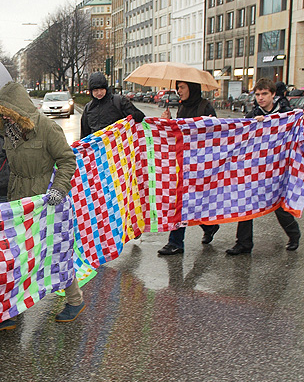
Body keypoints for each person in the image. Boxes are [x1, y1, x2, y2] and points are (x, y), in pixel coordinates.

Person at [0, 82, 86, 325]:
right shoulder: (9, 132)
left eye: (8, 113)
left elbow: (67, 160)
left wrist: (58, 189)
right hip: (19, 202)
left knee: (55, 252)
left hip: (47, 202)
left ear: (19, 109)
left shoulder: (47, 128)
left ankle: (75, 300)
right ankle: (12, 310)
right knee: (18, 255)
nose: (5, 119)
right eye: (1, 114)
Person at [225, 78, 300, 255]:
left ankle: (294, 234)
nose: (261, 98)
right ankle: (244, 243)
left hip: (278, 166)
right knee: (246, 203)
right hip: (256, 166)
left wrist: (268, 121)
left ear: (273, 94)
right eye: (258, 94)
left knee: (278, 204)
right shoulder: (253, 114)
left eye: (264, 94)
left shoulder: (286, 113)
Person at [157, 80, 220, 255]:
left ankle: (209, 226)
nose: (179, 91)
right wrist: (169, 122)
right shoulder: (182, 107)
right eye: (178, 87)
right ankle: (176, 241)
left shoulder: (205, 107)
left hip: (202, 162)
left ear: (192, 88)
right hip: (184, 161)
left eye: (182, 87)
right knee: (182, 201)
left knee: (196, 200)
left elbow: (215, 134)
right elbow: (179, 133)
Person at [80, 72, 144, 138]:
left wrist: (135, 115)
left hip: (118, 144)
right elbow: (84, 134)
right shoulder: (88, 108)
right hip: (97, 146)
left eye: (102, 89)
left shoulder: (119, 101)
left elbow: (139, 117)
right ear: (91, 91)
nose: (99, 93)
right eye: (96, 90)